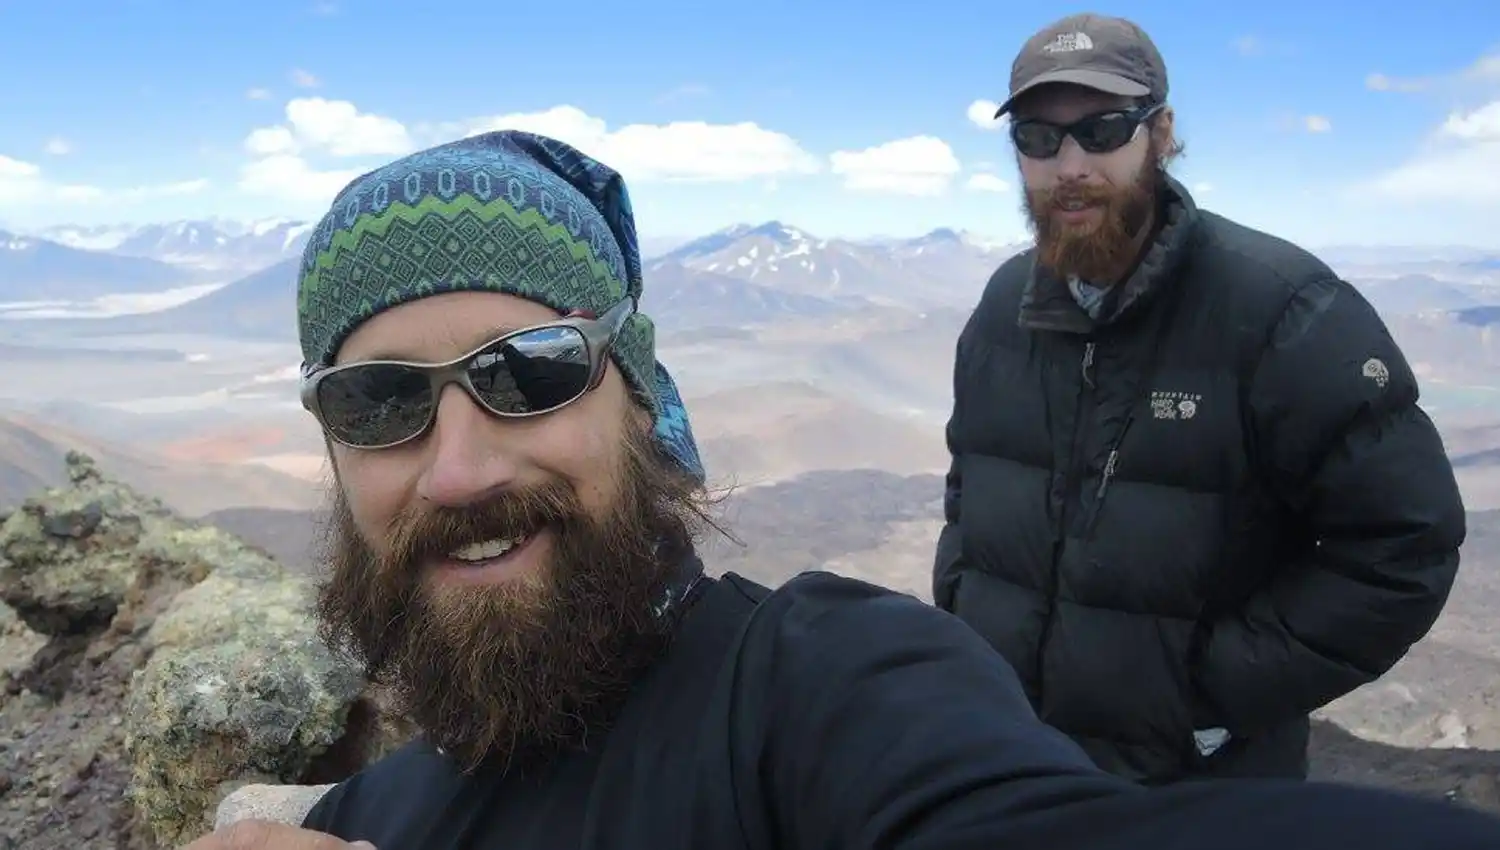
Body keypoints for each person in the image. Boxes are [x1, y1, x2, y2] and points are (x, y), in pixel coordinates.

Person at [182, 131, 1500, 850]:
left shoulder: (825, 687)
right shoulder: (374, 814)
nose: (460, 465)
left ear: (636, 399)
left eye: (531, 371)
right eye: (378, 401)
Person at [933, 11, 1467, 785]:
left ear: (1161, 133)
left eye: (1103, 130)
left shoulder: (1282, 311)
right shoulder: (1004, 308)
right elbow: (970, 495)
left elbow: (1405, 548)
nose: (1069, 164)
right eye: (1038, 138)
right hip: (1013, 766)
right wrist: (966, 626)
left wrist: (1205, 696)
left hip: (1197, 793)